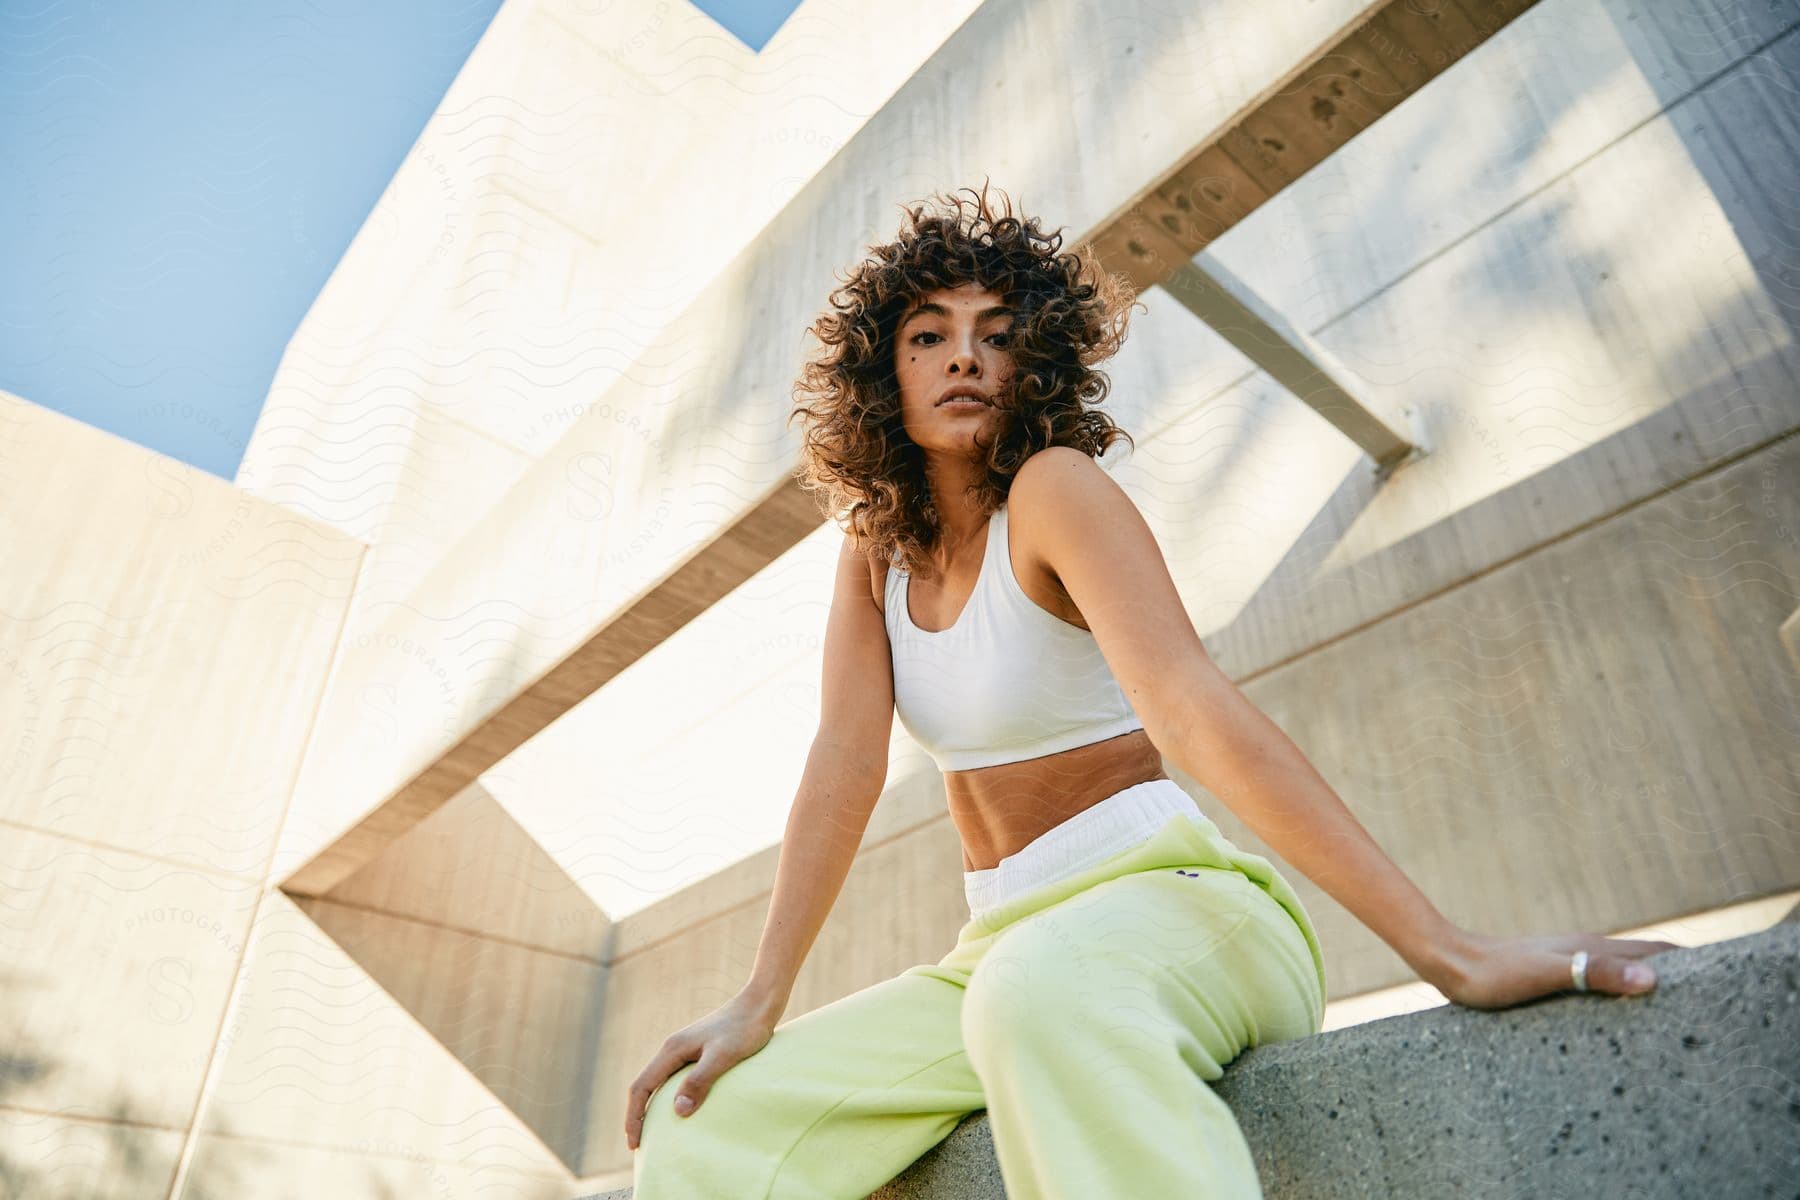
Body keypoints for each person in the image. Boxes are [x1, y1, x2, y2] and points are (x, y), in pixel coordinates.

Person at [622, 183, 1677, 1198]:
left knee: (1036, 998)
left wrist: (1446, 948)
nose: (965, 358)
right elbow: (845, 762)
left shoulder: (1053, 491)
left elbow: (1189, 707)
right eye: (929, 336)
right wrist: (760, 999)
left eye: (995, 334)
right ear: (883, 375)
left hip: (1179, 910)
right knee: (703, 1126)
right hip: (1000, 952)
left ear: (1031, 361)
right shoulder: (874, 553)